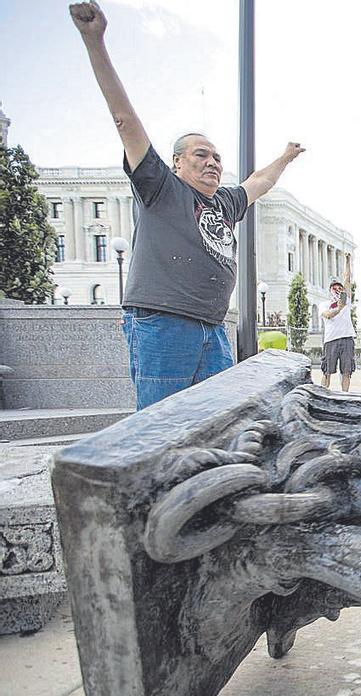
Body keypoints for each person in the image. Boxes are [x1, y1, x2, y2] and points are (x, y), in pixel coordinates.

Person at [70, 1, 305, 410]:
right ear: (177, 162)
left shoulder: (225, 202)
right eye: (201, 155)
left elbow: (259, 182)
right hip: (163, 323)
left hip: (212, 330)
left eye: (217, 158)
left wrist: (285, 156)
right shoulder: (160, 186)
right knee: (161, 426)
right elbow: (124, 119)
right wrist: (95, 42)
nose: (212, 162)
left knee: (216, 422)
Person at [320, 275, 355, 392]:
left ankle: (345, 395)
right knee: (327, 371)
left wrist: (347, 260)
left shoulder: (347, 302)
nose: (338, 290)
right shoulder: (324, 304)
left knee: (346, 371)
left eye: (340, 288)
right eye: (335, 288)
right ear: (330, 291)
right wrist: (338, 309)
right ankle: (322, 394)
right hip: (331, 340)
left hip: (347, 338)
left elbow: (347, 280)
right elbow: (327, 315)